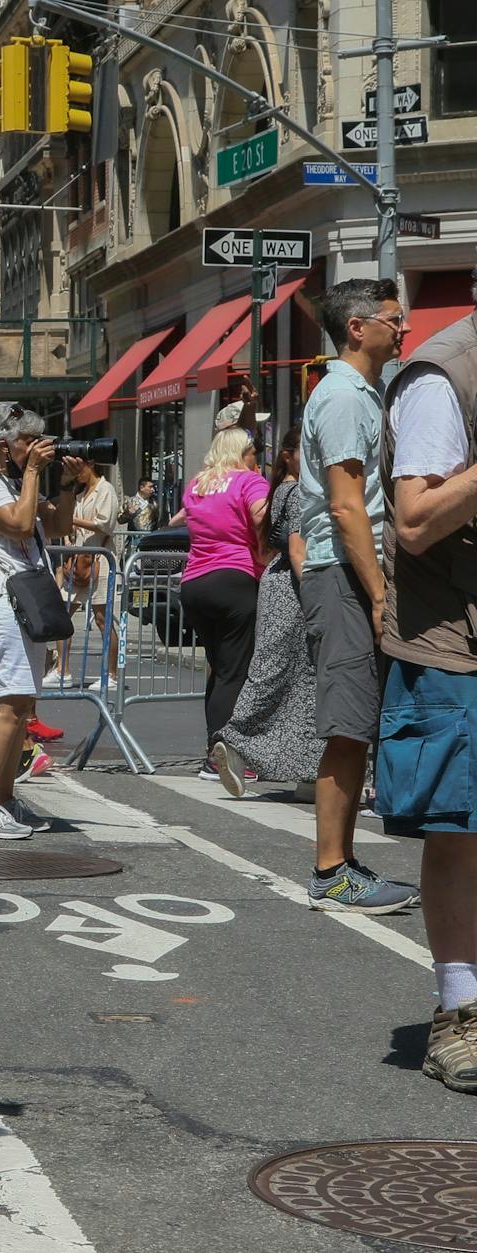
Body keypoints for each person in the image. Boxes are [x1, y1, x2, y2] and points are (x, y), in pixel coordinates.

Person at [379, 294, 477, 1095]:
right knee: (461, 830)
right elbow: (413, 520)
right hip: (455, 642)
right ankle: (459, 1010)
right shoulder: (442, 377)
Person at [298, 279, 417, 914]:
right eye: (394, 319)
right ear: (358, 328)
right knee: (347, 727)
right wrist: (377, 595)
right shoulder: (343, 397)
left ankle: (340, 862)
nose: (403, 329)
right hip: (344, 571)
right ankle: (330, 872)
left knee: (356, 726)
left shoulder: (361, 392)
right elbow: (347, 509)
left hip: (350, 569)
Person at [0, 401, 81, 839]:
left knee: (21, 705)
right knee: (6, 704)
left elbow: (59, 524)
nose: (38, 447)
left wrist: (65, 484)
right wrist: (31, 475)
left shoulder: (15, 479)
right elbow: (19, 525)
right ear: (4, 446)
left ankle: (3, 800)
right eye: (28, 440)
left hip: (21, 602)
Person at [213, 423, 323, 792]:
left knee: (292, 679)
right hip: (292, 589)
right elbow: (296, 549)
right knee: (285, 675)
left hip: (277, 585)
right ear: (290, 456)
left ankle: (308, 771)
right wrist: (314, 599)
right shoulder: (298, 492)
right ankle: (236, 739)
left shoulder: (281, 491)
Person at [174, 428, 269, 781]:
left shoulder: (197, 485)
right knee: (234, 672)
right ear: (241, 451)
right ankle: (224, 755)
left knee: (217, 668)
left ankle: (212, 753)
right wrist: (264, 550)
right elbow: (261, 516)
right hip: (235, 579)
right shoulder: (249, 482)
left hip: (194, 583)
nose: (256, 458)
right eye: (253, 451)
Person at [55, 457, 120, 687]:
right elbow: (71, 527)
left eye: (78, 469)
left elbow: (105, 524)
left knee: (102, 618)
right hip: (78, 559)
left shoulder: (106, 489)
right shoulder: (80, 493)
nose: (76, 474)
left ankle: (111, 674)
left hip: (100, 560)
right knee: (62, 615)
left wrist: (73, 519)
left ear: (91, 464)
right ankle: (62, 670)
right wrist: (67, 534)